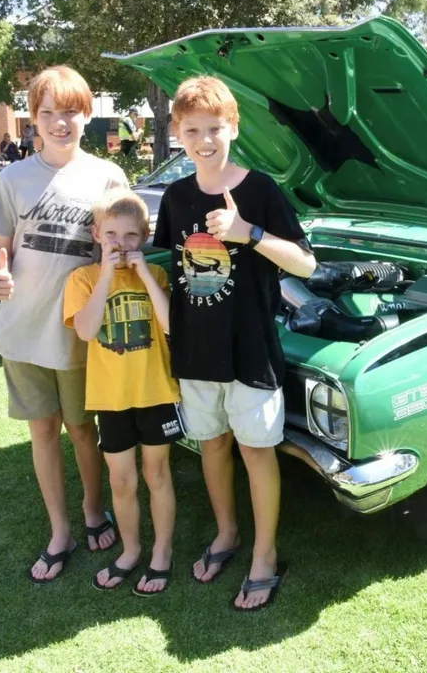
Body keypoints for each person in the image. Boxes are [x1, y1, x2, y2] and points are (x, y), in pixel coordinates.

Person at [153, 76, 316, 611]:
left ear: (234, 127)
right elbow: (168, 270)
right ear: (177, 131)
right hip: (196, 354)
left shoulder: (261, 190)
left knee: (255, 450)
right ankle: (228, 534)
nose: (204, 139)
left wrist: (249, 232)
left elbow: (307, 264)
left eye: (215, 128)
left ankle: (265, 555)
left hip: (250, 352)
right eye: (193, 129)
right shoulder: (175, 197)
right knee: (212, 445)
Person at [0, 65, 130, 584]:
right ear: (34, 120)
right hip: (21, 332)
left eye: (69, 111)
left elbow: (122, 243)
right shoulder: (12, 178)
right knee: (43, 431)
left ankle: (94, 512)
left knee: (83, 430)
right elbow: (0, 249)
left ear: (86, 115)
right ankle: (60, 531)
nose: (60, 122)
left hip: (76, 333)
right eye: (48, 113)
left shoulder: (108, 177)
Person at [64, 190, 183, 596]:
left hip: (155, 392)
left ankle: (162, 552)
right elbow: (85, 329)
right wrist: (107, 276)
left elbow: (170, 326)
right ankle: (131, 551)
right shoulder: (82, 279)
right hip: (110, 397)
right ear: (96, 234)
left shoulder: (158, 276)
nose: (120, 242)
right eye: (111, 233)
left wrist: (147, 275)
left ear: (144, 237)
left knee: (157, 473)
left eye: (131, 235)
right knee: (121, 481)